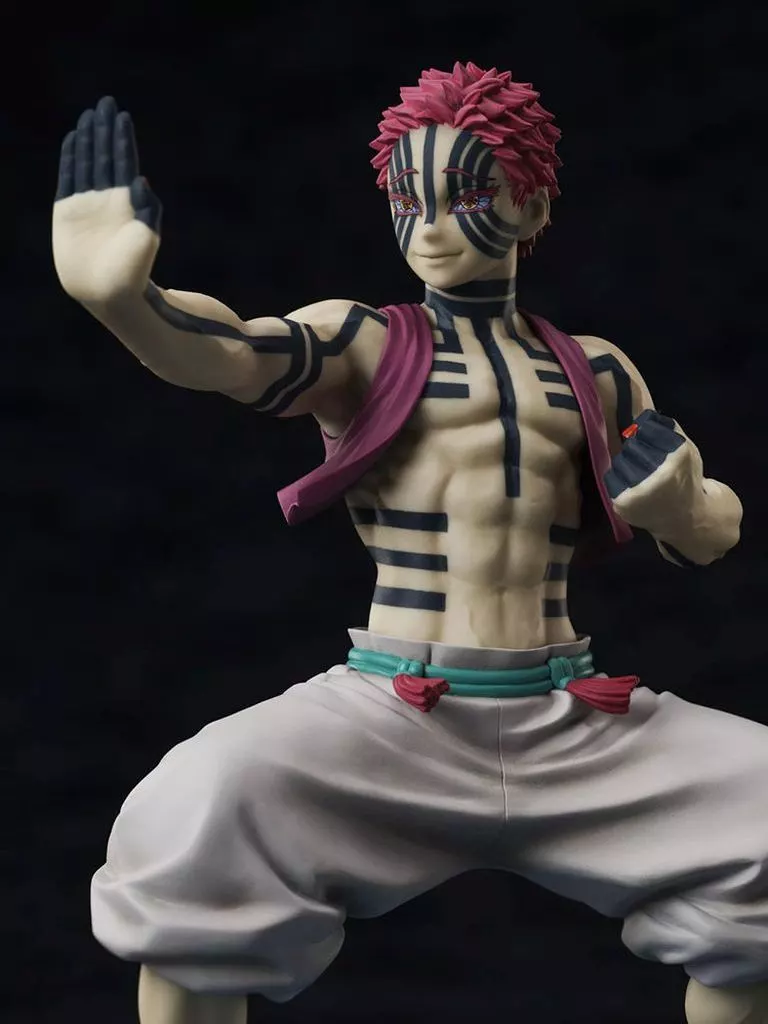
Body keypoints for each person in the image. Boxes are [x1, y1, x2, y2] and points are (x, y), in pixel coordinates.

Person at [52, 63, 768, 1024]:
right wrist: (127, 302)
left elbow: (712, 532)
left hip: (570, 715)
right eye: (407, 199)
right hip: (395, 712)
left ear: (531, 204)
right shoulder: (367, 344)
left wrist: (676, 503)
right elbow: (231, 353)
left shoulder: (594, 371)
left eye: (465, 196)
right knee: (200, 810)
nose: (429, 226)